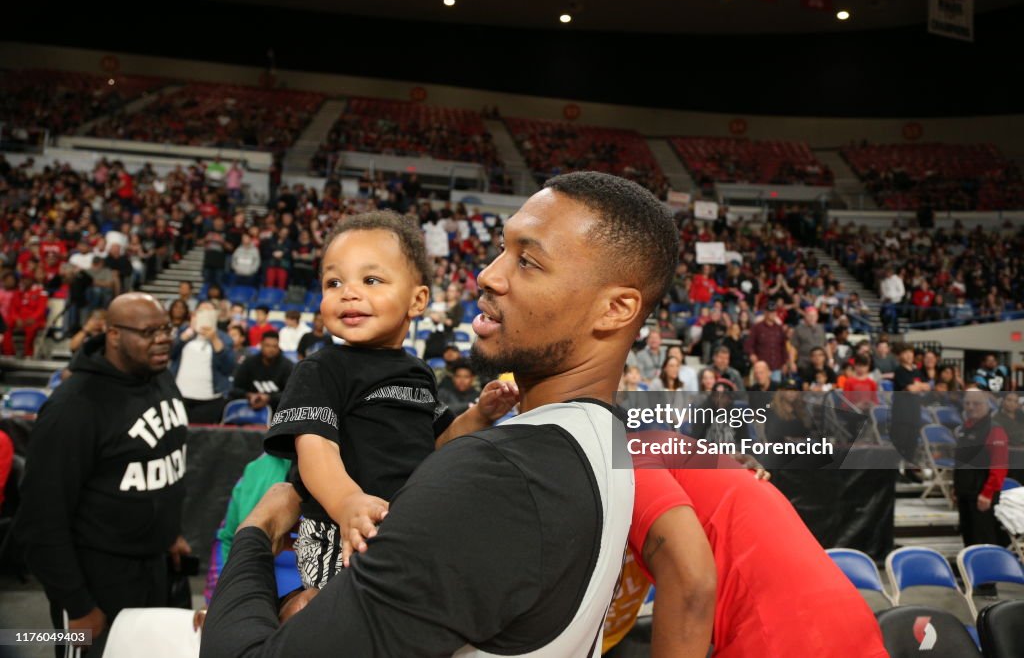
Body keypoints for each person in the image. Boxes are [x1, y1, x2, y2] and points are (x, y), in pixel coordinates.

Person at [202, 171, 677, 656]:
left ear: (617, 308)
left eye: (528, 261)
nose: (487, 274)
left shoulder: (498, 473)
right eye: (500, 248)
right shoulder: (611, 441)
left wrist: (256, 532)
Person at [263, 212, 518, 590]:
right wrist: (348, 502)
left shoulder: (418, 373)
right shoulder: (321, 369)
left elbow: (437, 442)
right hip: (341, 529)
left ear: (417, 300)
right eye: (333, 282)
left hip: (405, 525)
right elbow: (315, 450)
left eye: (370, 280)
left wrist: (479, 414)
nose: (348, 292)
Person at [16, 293, 191, 649]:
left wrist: (168, 534)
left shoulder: (159, 377)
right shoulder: (73, 407)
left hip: (156, 566)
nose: (162, 339)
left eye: (166, 329)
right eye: (148, 332)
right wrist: (78, 605)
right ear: (113, 335)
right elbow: (40, 520)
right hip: (96, 580)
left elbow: (160, 466)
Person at [608, 443, 889, 658]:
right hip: (851, 624)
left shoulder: (631, 464)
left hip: (780, 637)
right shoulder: (679, 459)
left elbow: (691, 586)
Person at [954, 389, 1009, 546]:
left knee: (983, 540)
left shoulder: (995, 429)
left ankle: (986, 571)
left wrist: (987, 493)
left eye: (976, 403)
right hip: (965, 493)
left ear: (986, 404)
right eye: (967, 403)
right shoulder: (965, 428)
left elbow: (999, 466)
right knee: (968, 538)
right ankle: (968, 570)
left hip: (982, 495)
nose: (971, 407)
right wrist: (956, 489)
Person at [170, 301, 235, 423]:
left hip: (209, 399)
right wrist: (189, 331)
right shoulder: (184, 332)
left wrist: (214, 339)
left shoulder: (224, 338)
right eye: (201, 312)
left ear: (215, 316)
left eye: (208, 312)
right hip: (179, 396)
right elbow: (171, 353)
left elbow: (228, 367)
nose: (204, 315)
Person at [230, 331, 295, 413]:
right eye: (267, 345)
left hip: (278, 411)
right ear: (261, 345)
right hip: (249, 407)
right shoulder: (249, 363)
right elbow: (235, 389)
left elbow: (290, 394)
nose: (271, 349)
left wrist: (269, 398)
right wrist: (249, 395)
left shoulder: (287, 366)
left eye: (274, 346)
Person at [789, 306, 826, 370]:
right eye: (809, 316)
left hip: (820, 365)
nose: (812, 318)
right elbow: (793, 347)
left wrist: (831, 359)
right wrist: (792, 362)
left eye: (814, 316)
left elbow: (826, 344)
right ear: (805, 316)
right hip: (804, 364)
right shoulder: (798, 329)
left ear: (817, 317)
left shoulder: (821, 328)